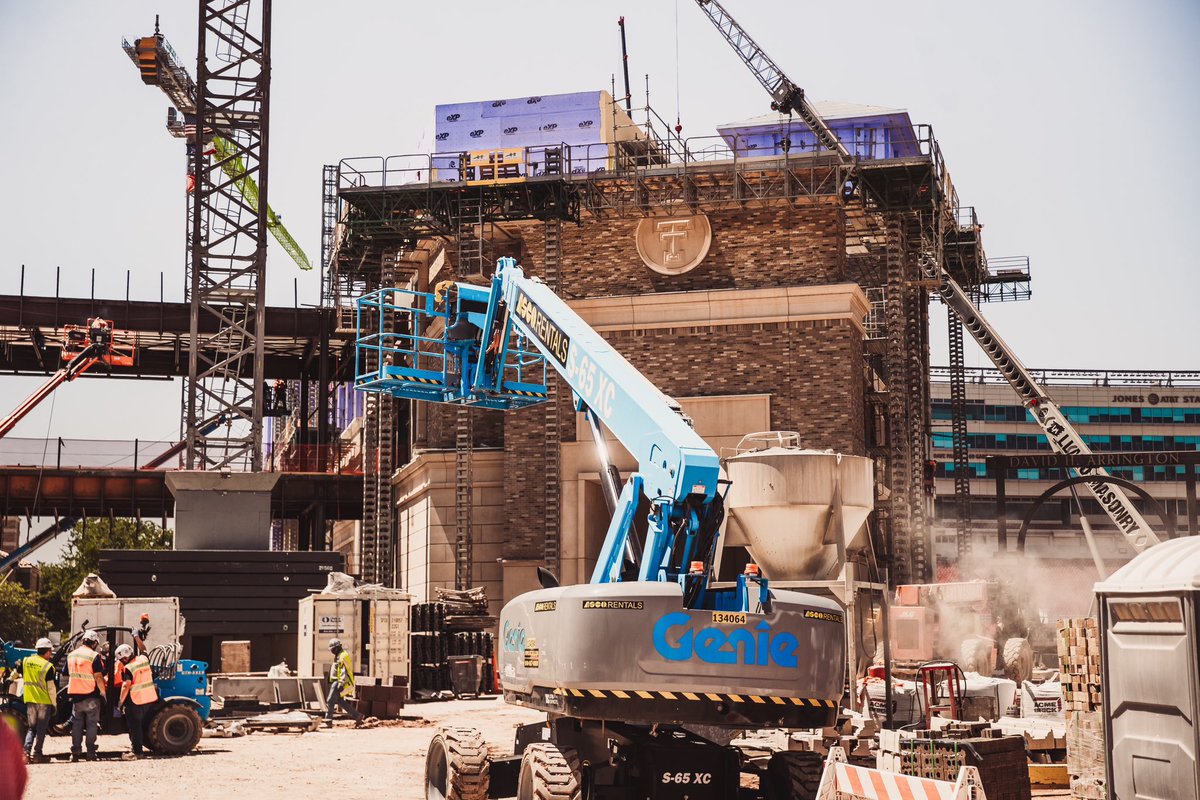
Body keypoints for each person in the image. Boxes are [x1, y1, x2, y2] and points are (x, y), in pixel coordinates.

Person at [66, 630, 106, 761]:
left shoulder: (71, 655)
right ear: (94, 643)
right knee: (91, 724)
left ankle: (75, 753)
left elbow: (65, 672)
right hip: (90, 696)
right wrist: (103, 692)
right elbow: (99, 676)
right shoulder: (93, 656)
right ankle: (90, 753)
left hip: (76, 696)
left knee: (77, 725)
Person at [115, 644, 157, 760]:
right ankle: (139, 748)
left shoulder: (129, 667)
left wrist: (120, 702)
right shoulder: (143, 659)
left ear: (125, 658)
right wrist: (137, 637)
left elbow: (126, 685)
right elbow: (144, 649)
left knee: (135, 727)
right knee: (141, 725)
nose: (122, 662)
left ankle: (137, 752)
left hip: (136, 700)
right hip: (148, 699)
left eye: (122, 660)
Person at [22, 638, 57, 763]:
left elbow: (17, 672)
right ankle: (37, 755)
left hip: (30, 700)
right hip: (44, 702)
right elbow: (51, 689)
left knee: (32, 728)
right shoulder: (48, 666)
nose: (51, 654)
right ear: (47, 652)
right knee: (41, 729)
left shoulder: (26, 661)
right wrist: (54, 704)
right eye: (50, 652)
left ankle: (25, 753)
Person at [323, 639, 363, 728]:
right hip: (337, 681)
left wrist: (341, 683)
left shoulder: (342, 656)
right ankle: (357, 716)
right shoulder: (339, 655)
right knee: (339, 701)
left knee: (330, 700)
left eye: (333, 649)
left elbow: (343, 671)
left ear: (337, 648)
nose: (331, 651)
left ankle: (328, 721)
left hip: (338, 682)